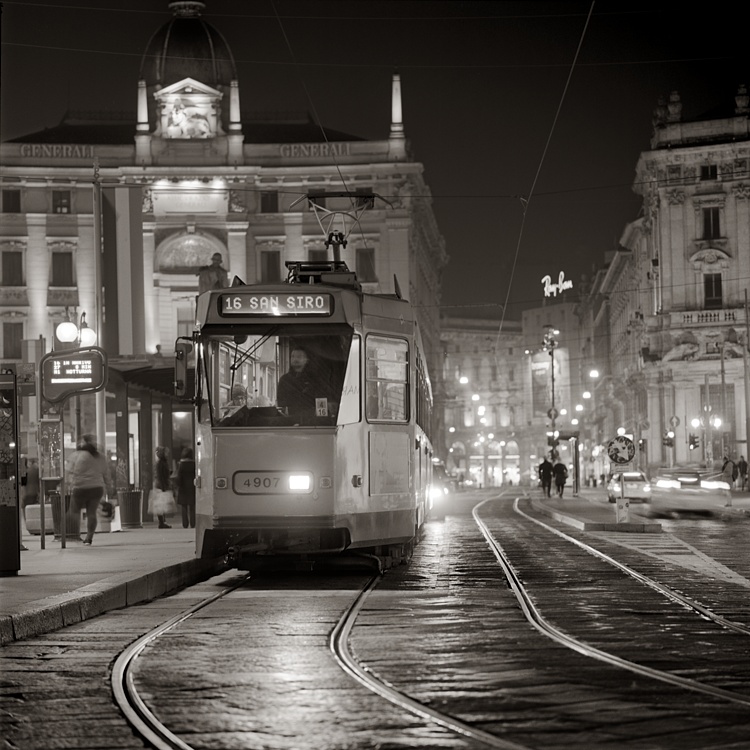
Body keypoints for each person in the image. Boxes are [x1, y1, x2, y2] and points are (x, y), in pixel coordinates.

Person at [67, 434, 108, 545]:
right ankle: (89, 537)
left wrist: (69, 483)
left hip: (80, 488)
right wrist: (108, 487)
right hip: (97, 488)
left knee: (74, 511)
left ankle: (77, 533)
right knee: (92, 513)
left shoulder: (76, 455)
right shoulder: (100, 457)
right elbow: (105, 473)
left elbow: (69, 471)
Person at [277, 348, 329, 419]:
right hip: (289, 421)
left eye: (299, 357)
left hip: (312, 422)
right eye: (292, 356)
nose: (295, 359)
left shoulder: (315, 379)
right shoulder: (284, 380)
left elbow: (321, 402)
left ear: (306, 360)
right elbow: (280, 404)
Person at [175, 447, 196, 529]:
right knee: (192, 506)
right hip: (192, 487)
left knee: (184, 507)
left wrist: (178, 485)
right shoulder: (194, 464)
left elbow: (178, 477)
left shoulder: (181, 464)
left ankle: (185, 523)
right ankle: (193, 523)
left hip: (183, 488)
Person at [152, 446, 172, 529]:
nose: (167, 454)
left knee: (161, 505)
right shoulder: (161, 463)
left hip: (160, 485)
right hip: (161, 485)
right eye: (166, 452)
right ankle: (162, 522)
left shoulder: (161, 463)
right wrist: (164, 486)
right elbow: (161, 476)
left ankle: (163, 521)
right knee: (161, 505)